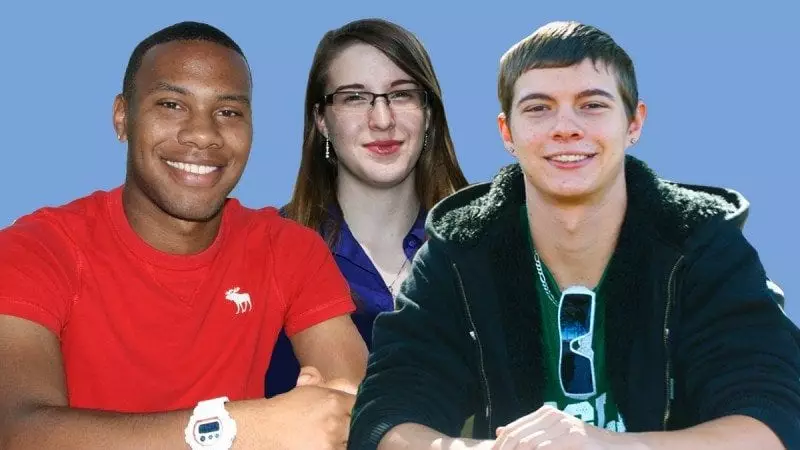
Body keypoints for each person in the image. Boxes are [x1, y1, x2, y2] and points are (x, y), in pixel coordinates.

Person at [348, 21, 800, 450]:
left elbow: (773, 423)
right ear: (508, 131)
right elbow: (387, 417)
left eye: (593, 105)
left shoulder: (701, 246)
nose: (566, 127)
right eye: (539, 108)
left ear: (634, 123)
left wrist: (608, 446)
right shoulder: (458, 256)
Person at [0, 21, 367, 450]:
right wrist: (230, 429)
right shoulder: (36, 249)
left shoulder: (288, 249)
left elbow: (361, 407)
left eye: (228, 112)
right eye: (172, 104)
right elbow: (16, 429)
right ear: (123, 117)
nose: (203, 134)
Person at [265, 18, 468, 397]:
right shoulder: (267, 251)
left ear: (429, 113)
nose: (382, 119)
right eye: (354, 97)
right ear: (321, 120)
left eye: (403, 94)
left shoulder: (481, 246)